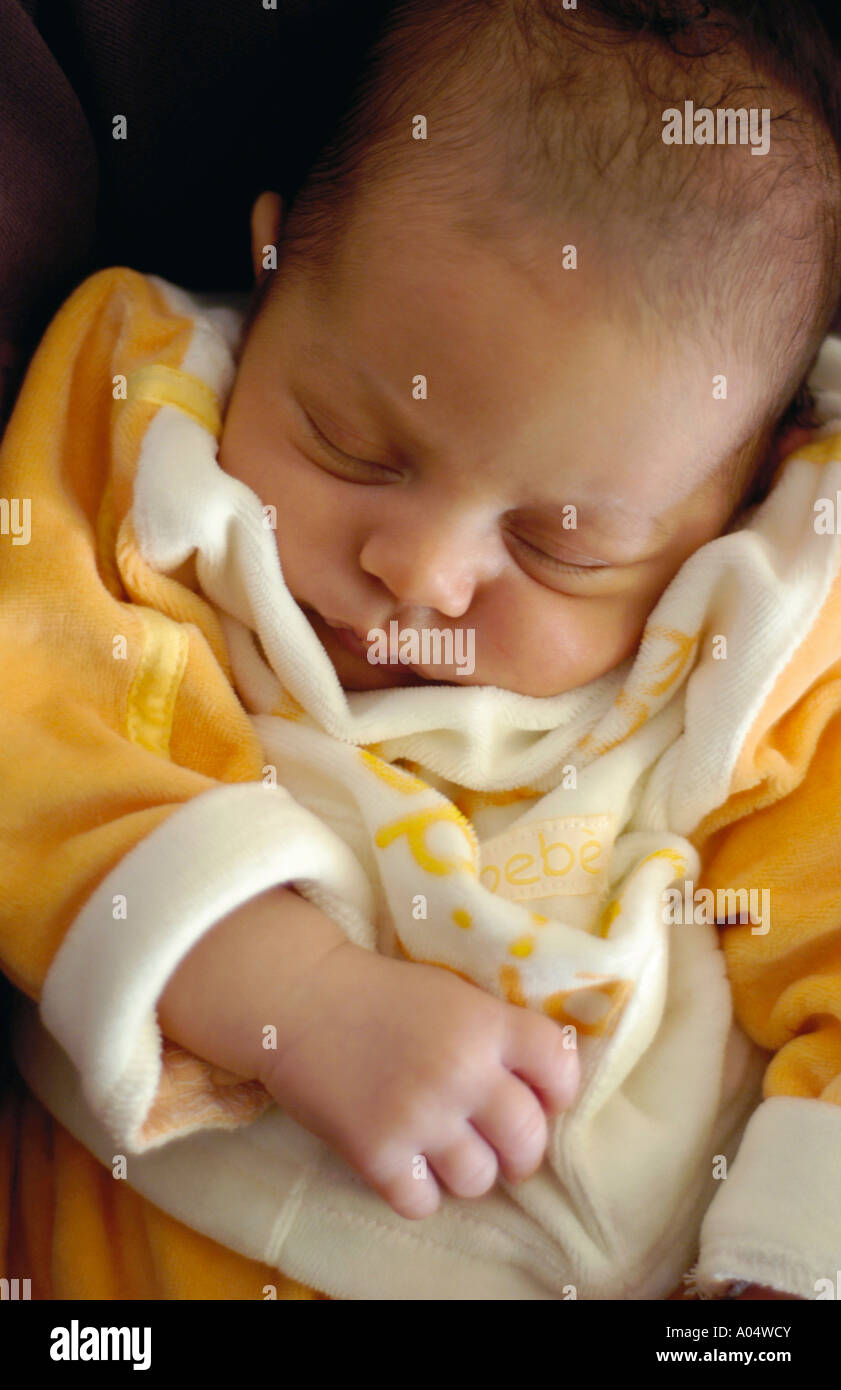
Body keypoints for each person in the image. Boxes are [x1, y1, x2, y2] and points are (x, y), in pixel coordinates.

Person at [2, 0, 841, 1300]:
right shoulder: (145, 442)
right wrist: (297, 994)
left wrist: (786, 1263)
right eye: (349, 441)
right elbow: (33, 721)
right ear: (273, 266)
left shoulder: (764, 629)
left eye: (560, 542)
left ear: (736, 499)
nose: (420, 570)